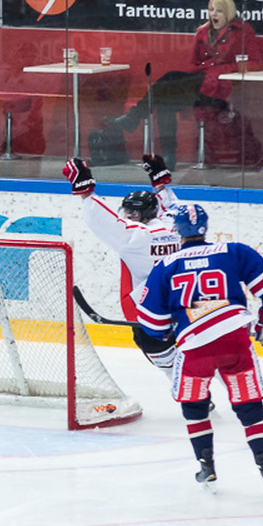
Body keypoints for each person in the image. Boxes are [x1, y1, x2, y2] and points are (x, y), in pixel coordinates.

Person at [137, 204, 263, 497]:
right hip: (234, 341)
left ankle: (207, 467)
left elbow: (150, 321)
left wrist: (165, 331)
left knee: (194, 406)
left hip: (194, 349)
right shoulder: (233, 251)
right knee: (250, 407)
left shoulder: (166, 266)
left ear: (177, 230)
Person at [107, 0, 263, 168]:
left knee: (168, 80)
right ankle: (169, 156)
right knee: (166, 100)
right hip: (199, 84)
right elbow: (193, 64)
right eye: (211, 10)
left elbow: (255, 63)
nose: (214, 15)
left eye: (219, 11)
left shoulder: (242, 31)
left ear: (228, 12)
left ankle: (133, 118)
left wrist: (223, 69)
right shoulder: (202, 32)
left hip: (221, 89)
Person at [63, 154, 183, 370]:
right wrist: (161, 185)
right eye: (126, 210)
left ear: (145, 213)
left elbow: (107, 222)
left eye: (133, 212)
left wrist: (85, 192)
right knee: (204, 350)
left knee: (166, 362)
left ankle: (189, 395)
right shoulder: (174, 227)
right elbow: (173, 208)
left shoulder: (138, 237)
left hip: (150, 310)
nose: (128, 215)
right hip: (183, 303)